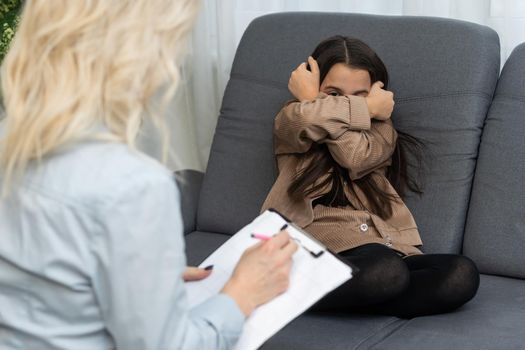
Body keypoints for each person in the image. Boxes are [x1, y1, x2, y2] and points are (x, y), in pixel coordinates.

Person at [0, 1, 297, 349]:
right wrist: (242, 292)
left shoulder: (10, 138)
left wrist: (140, 280)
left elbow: (41, 279)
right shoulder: (132, 186)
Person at [261, 35, 480, 319]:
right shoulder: (294, 116)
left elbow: (355, 158)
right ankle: (344, 288)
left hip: (382, 244)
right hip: (317, 245)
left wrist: (342, 108)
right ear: (314, 87)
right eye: (334, 93)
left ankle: (363, 294)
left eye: (360, 96)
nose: (348, 102)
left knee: (460, 273)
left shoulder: (382, 130)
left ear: (377, 92)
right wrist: (328, 103)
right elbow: (313, 126)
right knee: (385, 270)